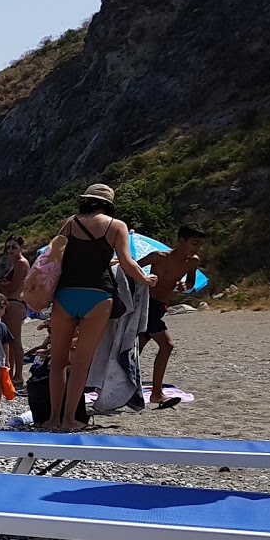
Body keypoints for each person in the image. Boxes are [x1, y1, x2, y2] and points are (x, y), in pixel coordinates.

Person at [46, 184, 156, 432]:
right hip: (98, 296)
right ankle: (69, 420)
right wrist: (146, 279)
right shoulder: (116, 226)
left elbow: (54, 256)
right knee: (81, 363)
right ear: (108, 204)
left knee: (58, 361)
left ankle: (53, 418)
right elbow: (128, 263)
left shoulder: (70, 223)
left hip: (65, 294)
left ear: (86, 200)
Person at [138, 224, 206, 407]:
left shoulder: (192, 261)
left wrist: (186, 285)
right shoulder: (159, 257)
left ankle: (127, 388)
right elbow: (132, 269)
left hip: (161, 306)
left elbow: (191, 281)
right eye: (194, 243)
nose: (197, 248)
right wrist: (144, 281)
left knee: (139, 345)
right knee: (166, 346)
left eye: (200, 244)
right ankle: (157, 393)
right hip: (146, 304)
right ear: (181, 241)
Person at [0, 237, 31, 387]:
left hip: (15, 303)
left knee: (15, 341)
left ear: (21, 247)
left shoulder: (21, 263)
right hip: (12, 303)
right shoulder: (17, 263)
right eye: (8, 247)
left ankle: (19, 375)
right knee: (10, 341)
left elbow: (13, 287)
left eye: (14, 247)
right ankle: (13, 373)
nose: (10, 250)